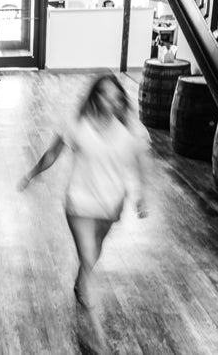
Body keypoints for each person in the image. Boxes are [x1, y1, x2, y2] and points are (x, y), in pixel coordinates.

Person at [18, 74, 150, 352]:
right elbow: (52, 154)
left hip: (111, 204)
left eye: (115, 95)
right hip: (78, 203)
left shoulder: (130, 130)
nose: (109, 100)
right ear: (94, 96)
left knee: (94, 252)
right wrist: (31, 174)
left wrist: (142, 196)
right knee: (88, 255)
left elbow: (140, 162)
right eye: (103, 94)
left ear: (120, 99)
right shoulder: (77, 125)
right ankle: (93, 334)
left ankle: (81, 282)